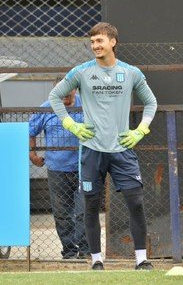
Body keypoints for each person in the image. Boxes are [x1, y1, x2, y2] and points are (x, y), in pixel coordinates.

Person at [48, 22, 157, 270]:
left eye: (100, 41)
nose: (95, 46)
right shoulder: (81, 72)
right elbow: (55, 95)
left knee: (136, 203)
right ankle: (96, 260)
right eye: (92, 42)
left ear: (113, 42)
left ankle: (142, 259)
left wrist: (141, 130)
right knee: (91, 206)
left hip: (122, 150)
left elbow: (151, 102)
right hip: (91, 151)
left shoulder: (131, 73)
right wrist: (70, 124)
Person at [29, 76, 90, 259]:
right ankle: (69, 251)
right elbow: (31, 130)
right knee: (62, 214)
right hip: (57, 169)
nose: (64, 95)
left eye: (68, 90)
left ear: (75, 89)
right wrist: (32, 154)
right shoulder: (46, 107)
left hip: (84, 167)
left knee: (84, 212)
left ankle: (86, 251)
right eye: (59, 91)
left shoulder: (86, 104)